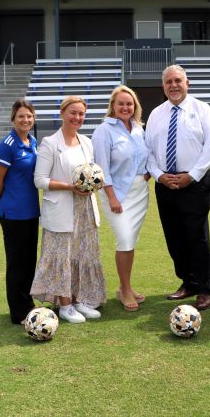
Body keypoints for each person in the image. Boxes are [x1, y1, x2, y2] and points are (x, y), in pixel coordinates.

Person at [145, 65, 210, 311]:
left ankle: (203, 288)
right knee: (174, 237)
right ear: (163, 86)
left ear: (186, 83)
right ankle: (187, 282)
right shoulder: (156, 113)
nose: (173, 85)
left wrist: (192, 175)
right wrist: (159, 175)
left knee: (196, 236)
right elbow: (148, 151)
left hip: (194, 183)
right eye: (168, 82)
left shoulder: (202, 110)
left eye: (178, 81)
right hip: (165, 184)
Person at [31, 96, 105, 324]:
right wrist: (69, 187)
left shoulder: (86, 142)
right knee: (61, 256)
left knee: (83, 254)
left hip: (85, 208)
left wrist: (91, 185)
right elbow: (39, 180)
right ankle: (65, 305)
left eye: (81, 114)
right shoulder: (49, 143)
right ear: (62, 113)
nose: (77, 118)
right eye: (73, 113)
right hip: (62, 208)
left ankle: (80, 299)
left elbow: (90, 172)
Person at [92, 85, 150, 312]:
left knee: (130, 242)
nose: (126, 107)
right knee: (124, 239)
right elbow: (101, 168)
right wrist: (112, 197)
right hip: (115, 195)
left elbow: (146, 155)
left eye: (129, 104)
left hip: (139, 193)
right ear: (113, 107)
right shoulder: (103, 131)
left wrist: (146, 174)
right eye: (121, 104)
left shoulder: (138, 128)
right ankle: (125, 290)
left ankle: (125, 286)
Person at [0, 99, 40, 324]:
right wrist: (1, 206)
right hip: (13, 214)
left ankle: (27, 304)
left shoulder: (32, 141)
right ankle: (18, 312)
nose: (25, 120)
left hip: (31, 212)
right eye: (21, 116)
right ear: (13, 118)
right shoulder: (8, 144)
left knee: (29, 261)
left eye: (29, 116)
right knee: (17, 263)